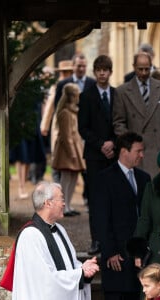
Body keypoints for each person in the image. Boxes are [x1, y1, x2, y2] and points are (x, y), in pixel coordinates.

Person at [12, 181, 99, 300]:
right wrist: (80, 273)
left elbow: (70, 265)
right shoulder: (30, 236)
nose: (64, 204)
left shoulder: (60, 229)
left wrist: (83, 269)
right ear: (48, 203)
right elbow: (46, 281)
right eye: (61, 199)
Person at [92, 132, 151, 300]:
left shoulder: (144, 178)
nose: (142, 155)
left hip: (139, 256)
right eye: (138, 151)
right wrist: (110, 252)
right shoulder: (104, 179)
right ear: (124, 151)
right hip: (116, 256)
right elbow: (100, 219)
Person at [113, 52, 160, 177]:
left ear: (151, 66)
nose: (143, 73)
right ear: (133, 67)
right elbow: (118, 123)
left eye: (147, 69)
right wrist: (129, 145)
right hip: (136, 153)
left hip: (159, 150)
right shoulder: (122, 92)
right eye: (140, 69)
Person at [78, 54, 116, 255]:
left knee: (113, 198)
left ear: (111, 72)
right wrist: (101, 144)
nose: (102, 73)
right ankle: (97, 240)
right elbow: (82, 128)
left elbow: (120, 124)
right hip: (94, 155)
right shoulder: (86, 96)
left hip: (113, 156)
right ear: (95, 72)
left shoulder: (117, 95)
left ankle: (113, 237)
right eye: (99, 69)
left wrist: (113, 145)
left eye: (106, 69)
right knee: (95, 199)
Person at [54, 53, 95, 203]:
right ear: (73, 66)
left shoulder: (92, 83)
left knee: (85, 168)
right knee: (70, 170)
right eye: (79, 66)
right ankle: (65, 204)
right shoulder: (63, 85)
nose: (82, 69)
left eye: (84, 66)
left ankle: (86, 197)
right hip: (70, 134)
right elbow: (57, 109)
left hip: (87, 133)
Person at [52, 83, 86, 216]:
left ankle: (68, 205)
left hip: (75, 146)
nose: (78, 98)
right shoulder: (65, 113)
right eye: (77, 95)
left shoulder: (73, 111)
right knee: (66, 177)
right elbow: (66, 135)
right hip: (68, 149)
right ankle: (63, 206)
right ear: (71, 96)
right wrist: (72, 152)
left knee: (73, 176)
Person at [40, 60, 74, 182]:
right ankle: (57, 183)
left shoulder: (76, 86)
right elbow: (50, 106)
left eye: (69, 72)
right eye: (65, 72)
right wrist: (44, 125)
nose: (67, 74)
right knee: (57, 153)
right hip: (59, 124)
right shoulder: (57, 86)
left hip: (74, 126)